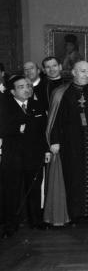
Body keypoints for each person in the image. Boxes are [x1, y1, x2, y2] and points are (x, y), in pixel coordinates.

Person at [47, 61, 88, 224]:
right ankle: (76, 214)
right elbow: (55, 120)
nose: (87, 74)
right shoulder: (61, 92)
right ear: (73, 73)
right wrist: (54, 141)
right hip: (71, 143)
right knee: (74, 177)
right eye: (82, 71)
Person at [0, 76, 50, 238]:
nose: (27, 89)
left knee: (34, 189)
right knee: (12, 191)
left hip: (34, 155)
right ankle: (10, 224)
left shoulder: (37, 105)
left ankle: (35, 220)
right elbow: (5, 128)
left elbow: (43, 131)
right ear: (13, 91)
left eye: (29, 85)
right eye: (21, 87)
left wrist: (46, 150)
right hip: (13, 156)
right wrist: (22, 126)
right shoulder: (4, 106)